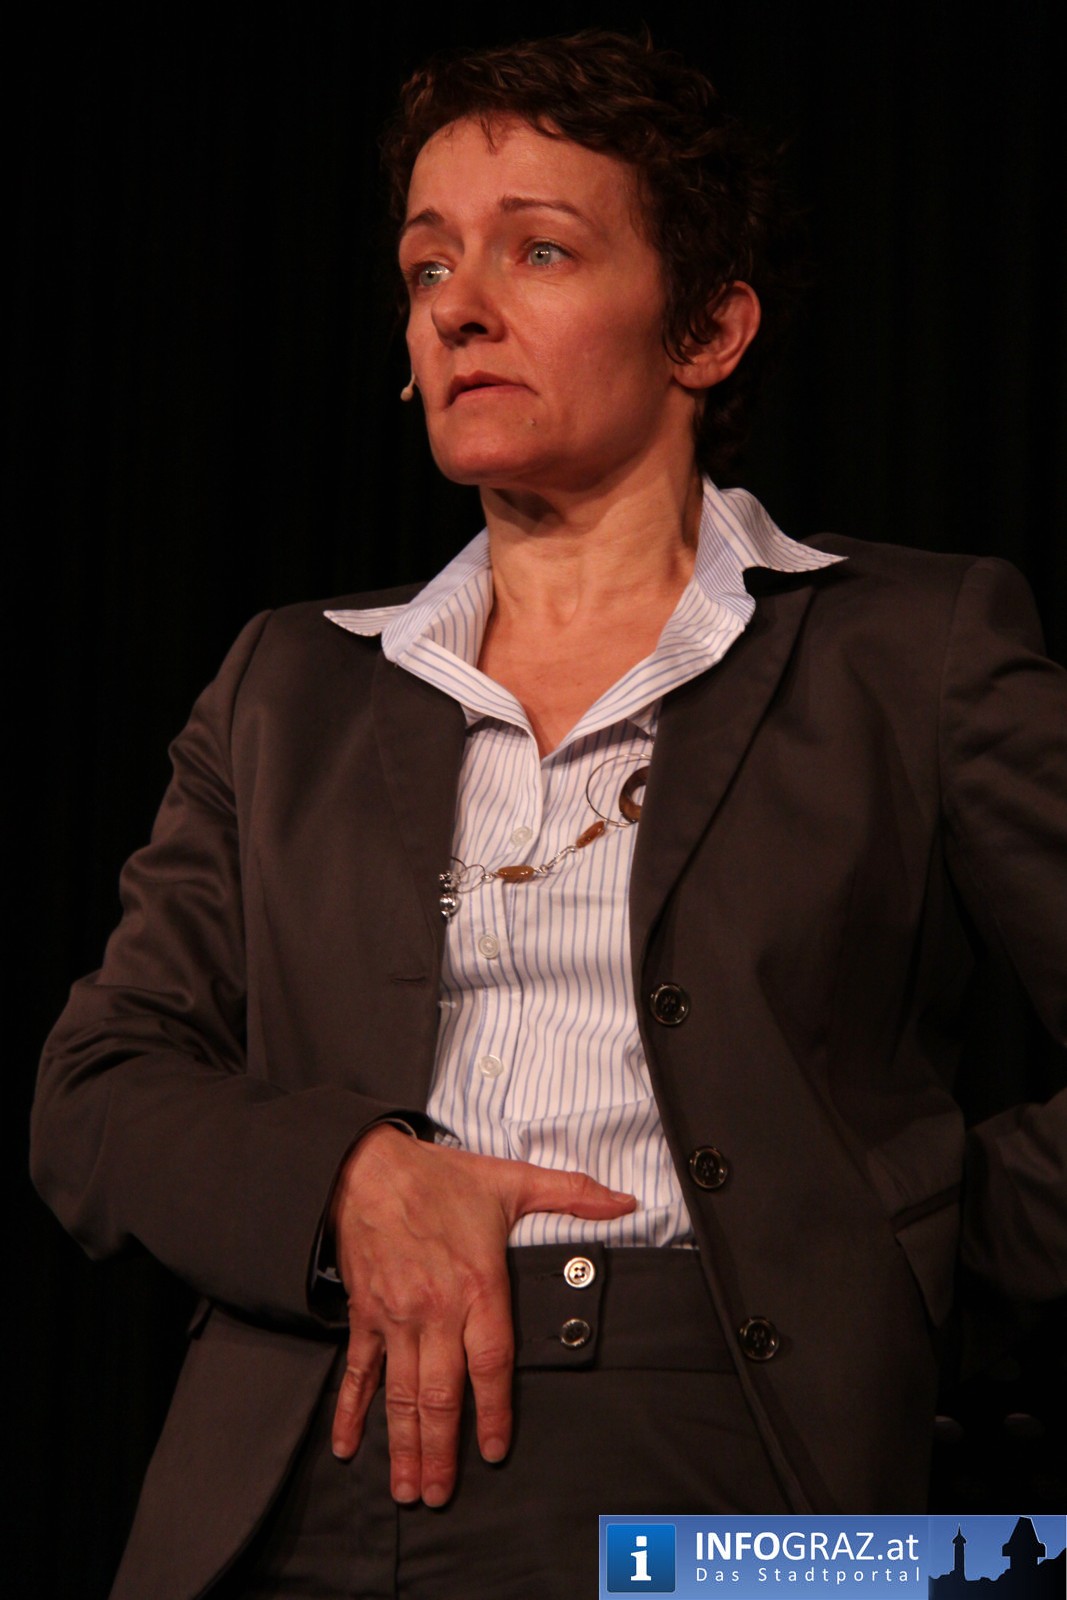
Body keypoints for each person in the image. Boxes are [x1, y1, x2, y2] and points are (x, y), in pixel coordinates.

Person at [31, 28, 1066, 1600]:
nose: (459, 303)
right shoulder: (292, 683)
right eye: (428, 262)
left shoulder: (907, 652)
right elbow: (96, 1093)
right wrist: (348, 1175)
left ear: (707, 329)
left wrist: (895, 1251)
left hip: (722, 1450)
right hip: (304, 1454)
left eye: (540, 250)